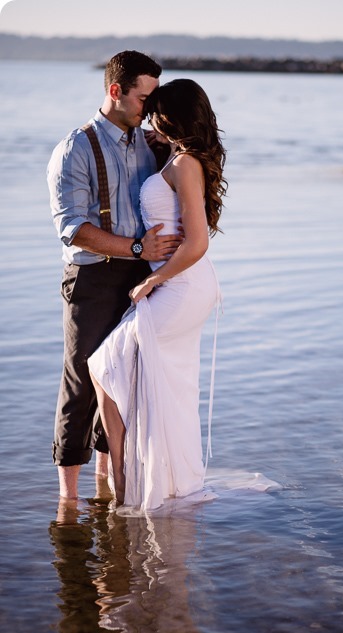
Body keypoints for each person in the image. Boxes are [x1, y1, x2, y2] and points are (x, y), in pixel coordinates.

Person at [47, 51, 183, 503]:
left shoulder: (153, 143)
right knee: (83, 381)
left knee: (126, 377)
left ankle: (109, 480)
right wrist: (137, 248)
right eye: (144, 97)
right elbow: (74, 229)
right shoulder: (76, 147)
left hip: (142, 278)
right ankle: (68, 501)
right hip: (92, 279)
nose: (151, 106)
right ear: (115, 91)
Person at [87, 78, 227, 511]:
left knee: (103, 364)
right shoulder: (180, 158)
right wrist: (157, 143)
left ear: (173, 117)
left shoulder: (185, 165)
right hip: (182, 285)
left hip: (179, 286)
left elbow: (198, 242)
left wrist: (152, 280)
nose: (149, 117)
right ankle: (153, 479)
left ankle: (130, 483)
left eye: (156, 111)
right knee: (154, 382)